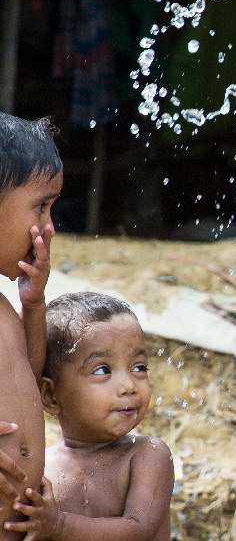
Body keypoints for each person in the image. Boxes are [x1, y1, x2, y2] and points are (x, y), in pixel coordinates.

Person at [4, 293, 173, 541]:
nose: (129, 386)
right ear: (50, 397)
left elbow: (140, 531)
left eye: (139, 367)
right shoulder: (43, 468)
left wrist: (60, 525)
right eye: (103, 370)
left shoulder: (147, 455)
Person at [0, 113, 61, 539]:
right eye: (40, 205)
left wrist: (33, 304)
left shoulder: (5, 310)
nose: (49, 226)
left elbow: (30, 373)